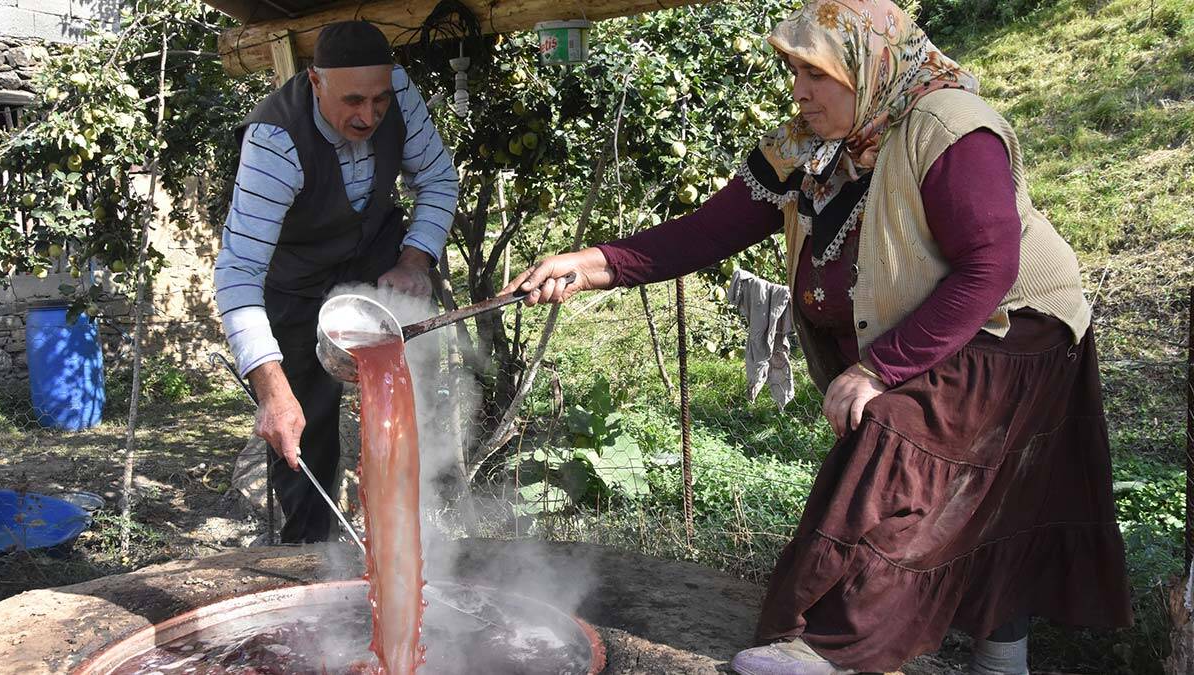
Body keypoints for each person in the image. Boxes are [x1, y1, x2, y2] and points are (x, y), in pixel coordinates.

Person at [504, 1, 1132, 673]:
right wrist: (594, 264)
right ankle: (992, 660)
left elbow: (988, 266)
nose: (799, 91)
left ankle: (834, 647)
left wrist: (878, 368)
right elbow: (708, 230)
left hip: (1016, 329)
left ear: (869, 65)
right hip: (936, 327)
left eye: (817, 73)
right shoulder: (808, 145)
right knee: (966, 494)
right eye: (793, 71)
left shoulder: (947, 128)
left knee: (903, 448)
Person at [214, 21, 458, 543]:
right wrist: (271, 392)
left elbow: (438, 178)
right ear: (316, 81)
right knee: (305, 425)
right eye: (352, 101)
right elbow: (238, 273)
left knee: (405, 391)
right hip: (296, 282)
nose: (368, 116)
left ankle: (410, 544)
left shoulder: (399, 93)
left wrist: (414, 262)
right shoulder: (274, 141)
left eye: (379, 100)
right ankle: (307, 558)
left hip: (374, 256)